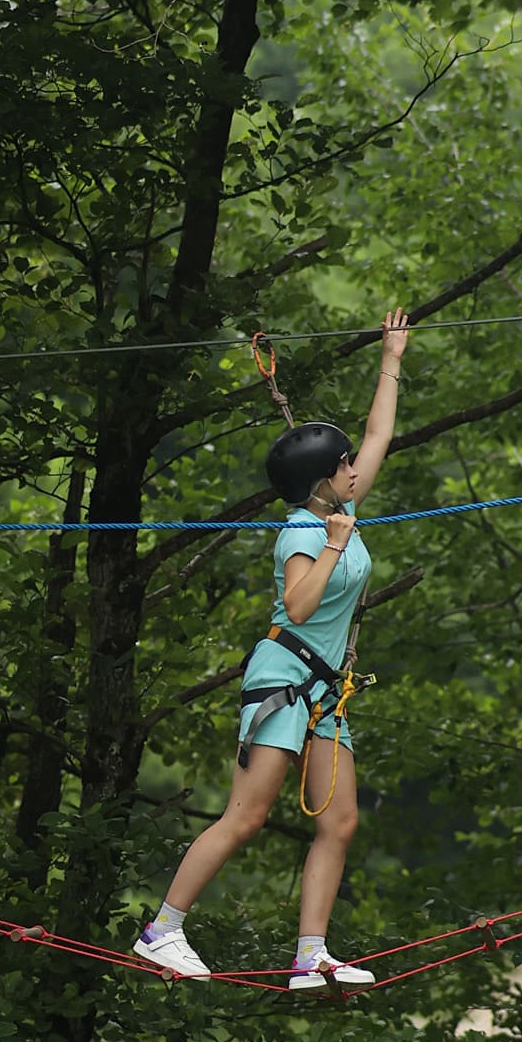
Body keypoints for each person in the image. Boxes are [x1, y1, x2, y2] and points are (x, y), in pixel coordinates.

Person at [134, 309, 411, 990]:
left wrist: (391, 356)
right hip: (283, 680)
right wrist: (337, 543)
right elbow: (297, 607)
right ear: (322, 482)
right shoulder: (303, 532)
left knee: (339, 819)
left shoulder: (336, 509)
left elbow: (380, 435)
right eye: (342, 464)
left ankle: (310, 954)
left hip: (322, 691)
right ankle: (161, 929)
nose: (354, 468)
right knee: (248, 814)